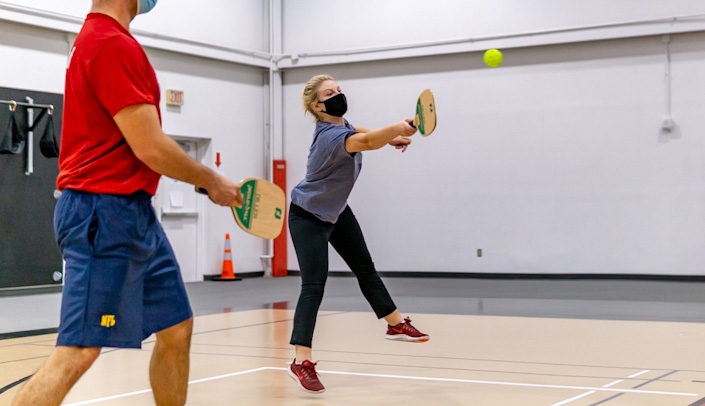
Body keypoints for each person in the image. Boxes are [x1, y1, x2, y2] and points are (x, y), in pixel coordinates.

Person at [12, 1, 242, 405]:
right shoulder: (109, 43)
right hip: (101, 214)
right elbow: (150, 147)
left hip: (132, 212)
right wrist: (211, 181)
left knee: (177, 328)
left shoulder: (102, 40)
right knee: (78, 351)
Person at [287, 74, 430, 394]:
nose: (338, 95)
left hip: (335, 211)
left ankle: (394, 324)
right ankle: (301, 361)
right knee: (313, 285)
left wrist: (391, 136)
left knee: (365, 267)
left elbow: (358, 130)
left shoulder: (340, 126)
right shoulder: (328, 138)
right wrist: (395, 129)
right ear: (316, 106)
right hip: (308, 215)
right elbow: (363, 141)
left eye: (338, 90)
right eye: (330, 93)